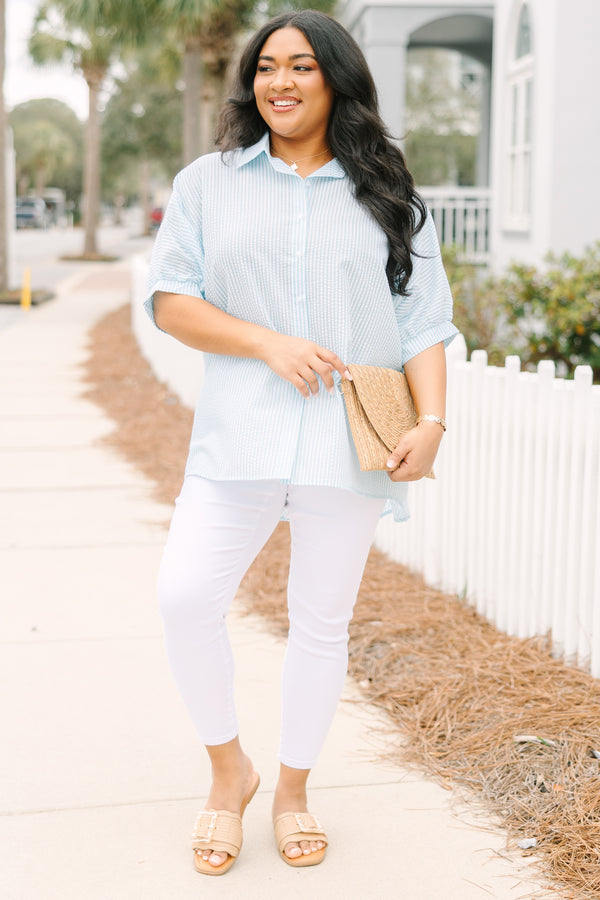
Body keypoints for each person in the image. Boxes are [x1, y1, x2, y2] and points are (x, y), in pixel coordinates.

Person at [145, 8, 458, 876]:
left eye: (303, 67)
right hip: (237, 437)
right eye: (267, 66)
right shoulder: (210, 183)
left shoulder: (387, 190)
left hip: (348, 445)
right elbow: (171, 301)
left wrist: (431, 425)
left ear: (337, 81)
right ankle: (228, 773)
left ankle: (291, 792)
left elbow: (424, 321)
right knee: (183, 599)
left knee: (320, 627)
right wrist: (267, 342)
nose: (280, 82)